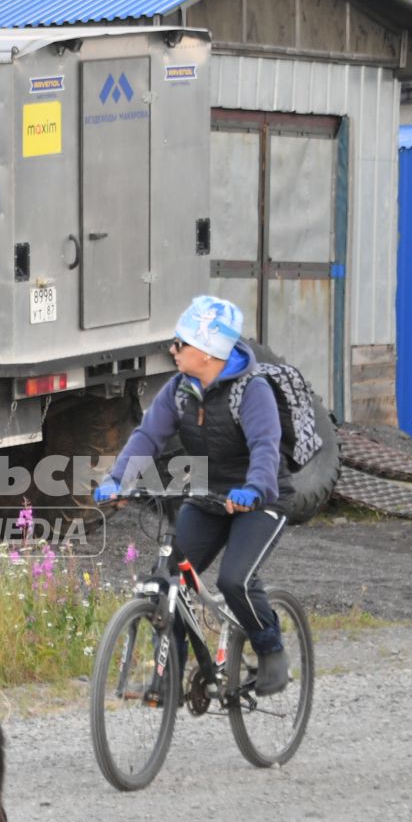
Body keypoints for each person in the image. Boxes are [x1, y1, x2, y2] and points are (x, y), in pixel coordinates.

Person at [93, 295, 291, 695]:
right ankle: (168, 679)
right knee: (169, 583)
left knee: (236, 580)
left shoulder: (253, 392)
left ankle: (270, 648)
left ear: (206, 351)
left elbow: (266, 448)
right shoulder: (179, 390)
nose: (172, 350)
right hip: (207, 497)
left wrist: (253, 489)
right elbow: (148, 436)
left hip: (260, 498)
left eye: (180, 344)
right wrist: (119, 480)